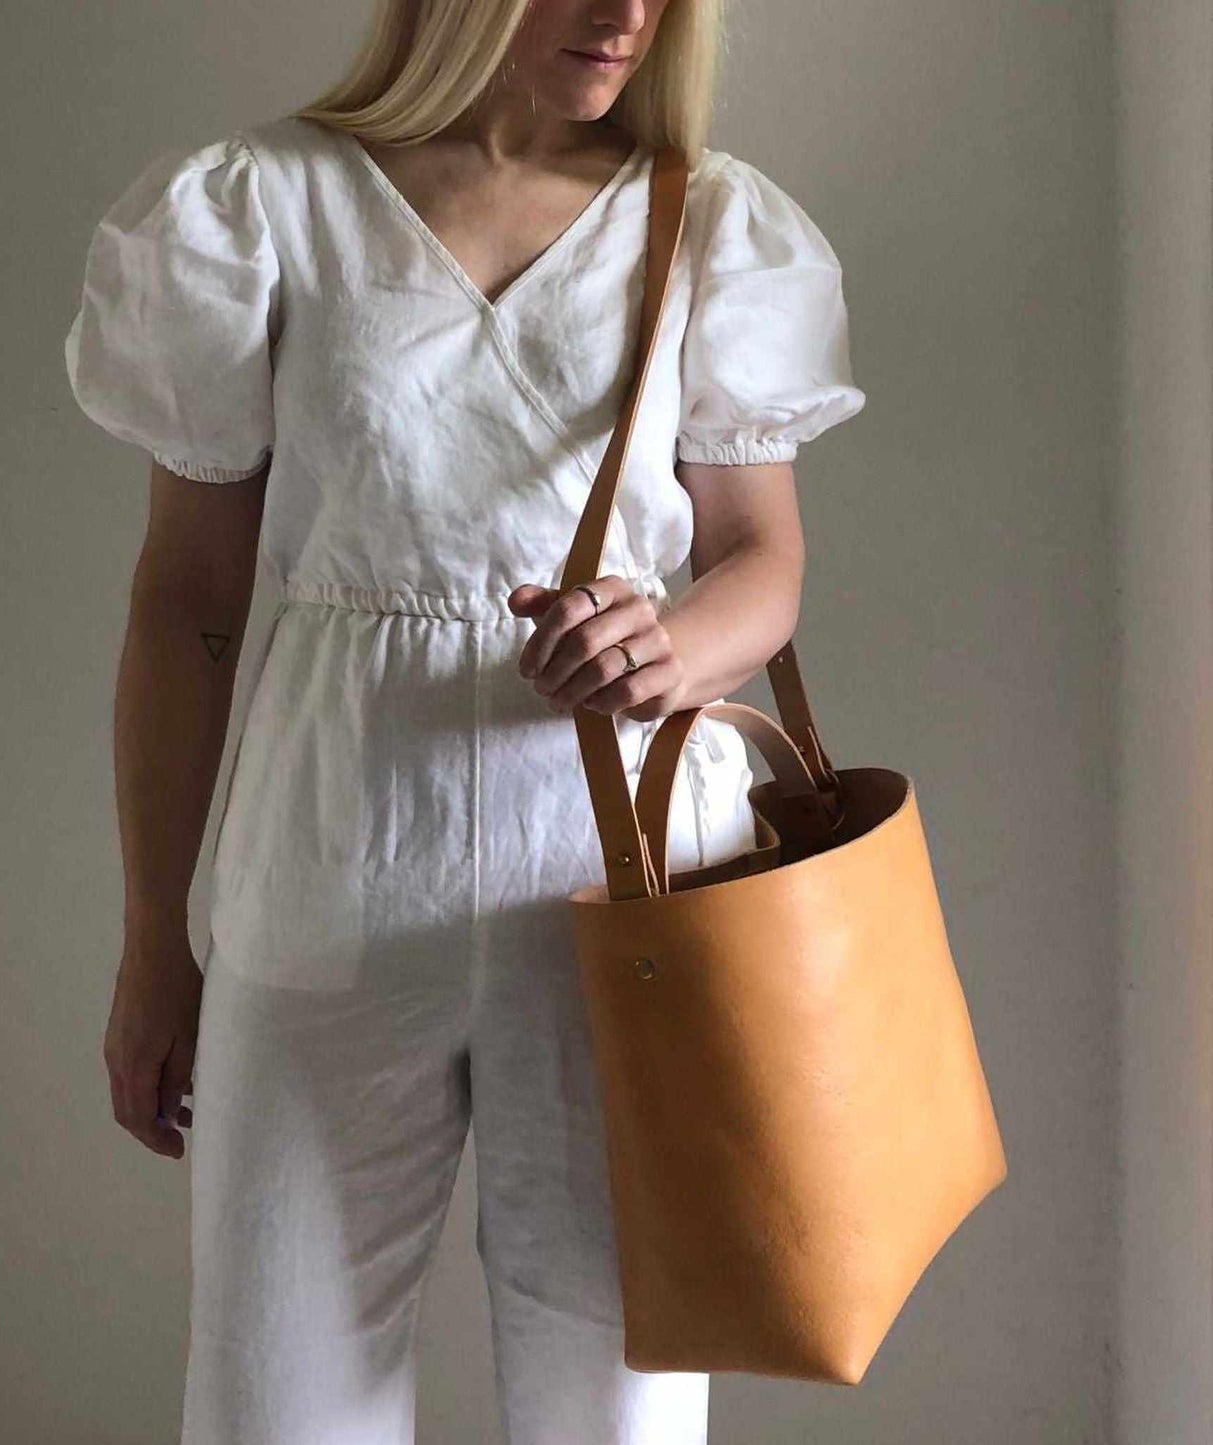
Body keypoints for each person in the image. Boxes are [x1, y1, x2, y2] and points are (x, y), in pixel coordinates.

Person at [62, 0, 866, 1439]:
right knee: (273, 1398)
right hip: (328, 870)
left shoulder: (710, 224)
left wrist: (665, 644)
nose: (626, 14)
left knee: (612, 1408)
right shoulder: (265, 207)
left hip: (624, 891)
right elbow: (186, 606)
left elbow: (766, 564)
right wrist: (150, 944)